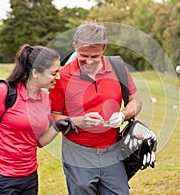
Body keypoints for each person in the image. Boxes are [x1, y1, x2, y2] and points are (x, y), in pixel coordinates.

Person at [49, 22, 155, 195]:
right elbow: (54, 116)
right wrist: (78, 121)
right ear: (75, 46)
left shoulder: (118, 68)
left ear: (103, 48)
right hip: (77, 151)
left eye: (95, 56)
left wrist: (123, 115)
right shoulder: (62, 77)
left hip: (112, 150)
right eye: (83, 56)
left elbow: (135, 101)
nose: (89, 61)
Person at [0, 44, 66, 195]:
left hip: (30, 177)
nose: (58, 77)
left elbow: (37, 141)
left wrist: (57, 127)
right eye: (54, 73)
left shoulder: (45, 99)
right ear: (36, 73)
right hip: (2, 177)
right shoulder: (4, 92)